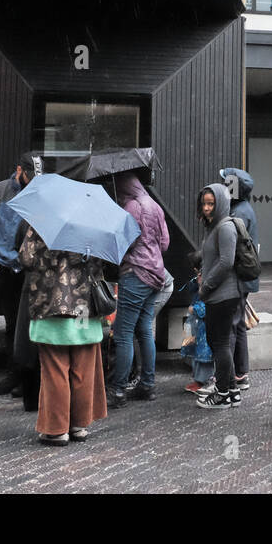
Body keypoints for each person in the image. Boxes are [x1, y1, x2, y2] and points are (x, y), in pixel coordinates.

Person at [18, 226, 109, 446]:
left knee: (55, 369)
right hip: (84, 306)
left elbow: (26, 258)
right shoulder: (93, 224)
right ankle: (79, 425)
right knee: (83, 368)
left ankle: (57, 430)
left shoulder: (43, 223)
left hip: (52, 305)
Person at [0, 152, 41, 398]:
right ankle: (15, 373)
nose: (33, 180)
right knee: (12, 323)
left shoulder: (39, 192)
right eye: (30, 175)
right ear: (19, 170)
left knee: (32, 324)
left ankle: (28, 376)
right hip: (5, 267)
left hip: (30, 268)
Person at [107, 171, 171, 407]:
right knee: (144, 329)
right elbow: (164, 244)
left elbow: (126, 241)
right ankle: (147, 385)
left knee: (123, 333)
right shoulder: (155, 205)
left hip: (136, 274)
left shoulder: (132, 207)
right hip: (156, 274)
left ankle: (118, 390)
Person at [195, 183, 242, 408]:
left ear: (221, 204)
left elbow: (226, 263)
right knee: (219, 343)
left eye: (211, 203)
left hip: (224, 295)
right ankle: (232, 389)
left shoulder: (225, 227)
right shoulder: (213, 227)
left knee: (220, 344)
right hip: (219, 295)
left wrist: (206, 287)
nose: (206, 208)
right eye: (204, 203)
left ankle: (222, 393)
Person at [220, 166, 257, 392]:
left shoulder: (238, 213)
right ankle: (240, 373)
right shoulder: (242, 208)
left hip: (237, 277)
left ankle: (227, 379)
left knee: (230, 326)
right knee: (238, 325)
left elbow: (231, 250)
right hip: (244, 277)